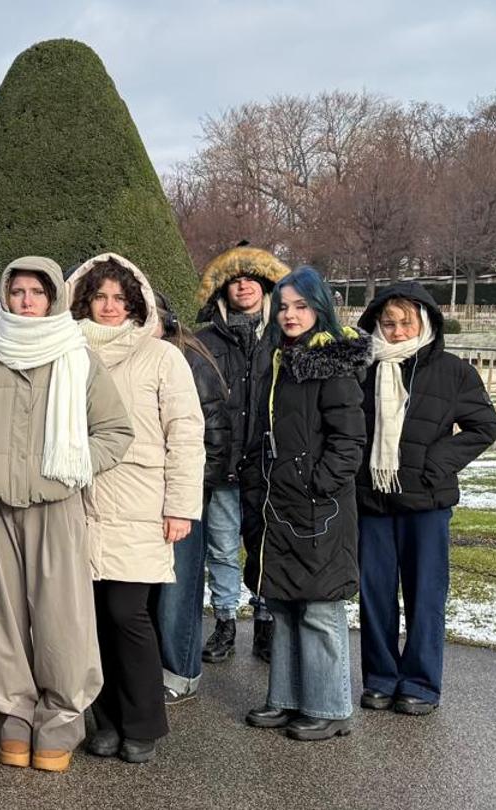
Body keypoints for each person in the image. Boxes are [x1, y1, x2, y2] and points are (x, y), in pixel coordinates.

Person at [0, 256, 133, 772]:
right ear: (6, 297)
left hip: (54, 507)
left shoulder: (76, 356)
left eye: (36, 293)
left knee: (61, 619)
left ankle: (61, 721)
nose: (26, 301)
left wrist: (70, 467)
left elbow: (115, 431)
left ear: (53, 299)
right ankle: (12, 718)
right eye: (17, 292)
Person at [67, 254, 205, 764]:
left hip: (140, 503)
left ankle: (143, 722)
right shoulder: (69, 353)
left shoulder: (162, 357)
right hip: (79, 504)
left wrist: (181, 506)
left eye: (118, 299)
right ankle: (105, 721)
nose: (108, 307)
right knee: (92, 620)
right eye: (99, 297)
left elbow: (186, 434)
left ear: (135, 303)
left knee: (129, 615)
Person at [355, 282, 496, 716]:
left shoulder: (453, 371)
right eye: (389, 322)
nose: (397, 331)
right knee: (375, 596)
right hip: (372, 502)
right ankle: (380, 678)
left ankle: (419, 682)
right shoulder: (361, 368)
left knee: (425, 596)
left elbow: (483, 426)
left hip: (427, 504)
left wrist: (434, 466)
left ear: (425, 322)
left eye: (406, 322)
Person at [241, 267, 369, 741]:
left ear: (319, 308)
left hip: (318, 506)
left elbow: (349, 439)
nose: (291, 315)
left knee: (319, 607)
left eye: (301, 306)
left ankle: (330, 706)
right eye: (284, 306)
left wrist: (318, 484)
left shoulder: (330, 362)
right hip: (280, 502)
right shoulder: (278, 359)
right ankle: (290, 698)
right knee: (285, 603)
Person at [192, 243, 291, 664]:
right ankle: (226, 620)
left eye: (251, 279)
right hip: (222, 464)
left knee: (265, 544)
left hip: (268, 465)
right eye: (234, 281)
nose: (243, 285)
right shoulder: (203, 342)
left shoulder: (284, 335)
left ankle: (266, 620)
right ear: (223, 292)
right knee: (221, 547)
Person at [151, 294, 228, 705]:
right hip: (145, 496)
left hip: (182, 495)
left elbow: (214, 437)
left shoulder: (189, 361)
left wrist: (189, 496)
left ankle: (181, 672)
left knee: (178, 590)